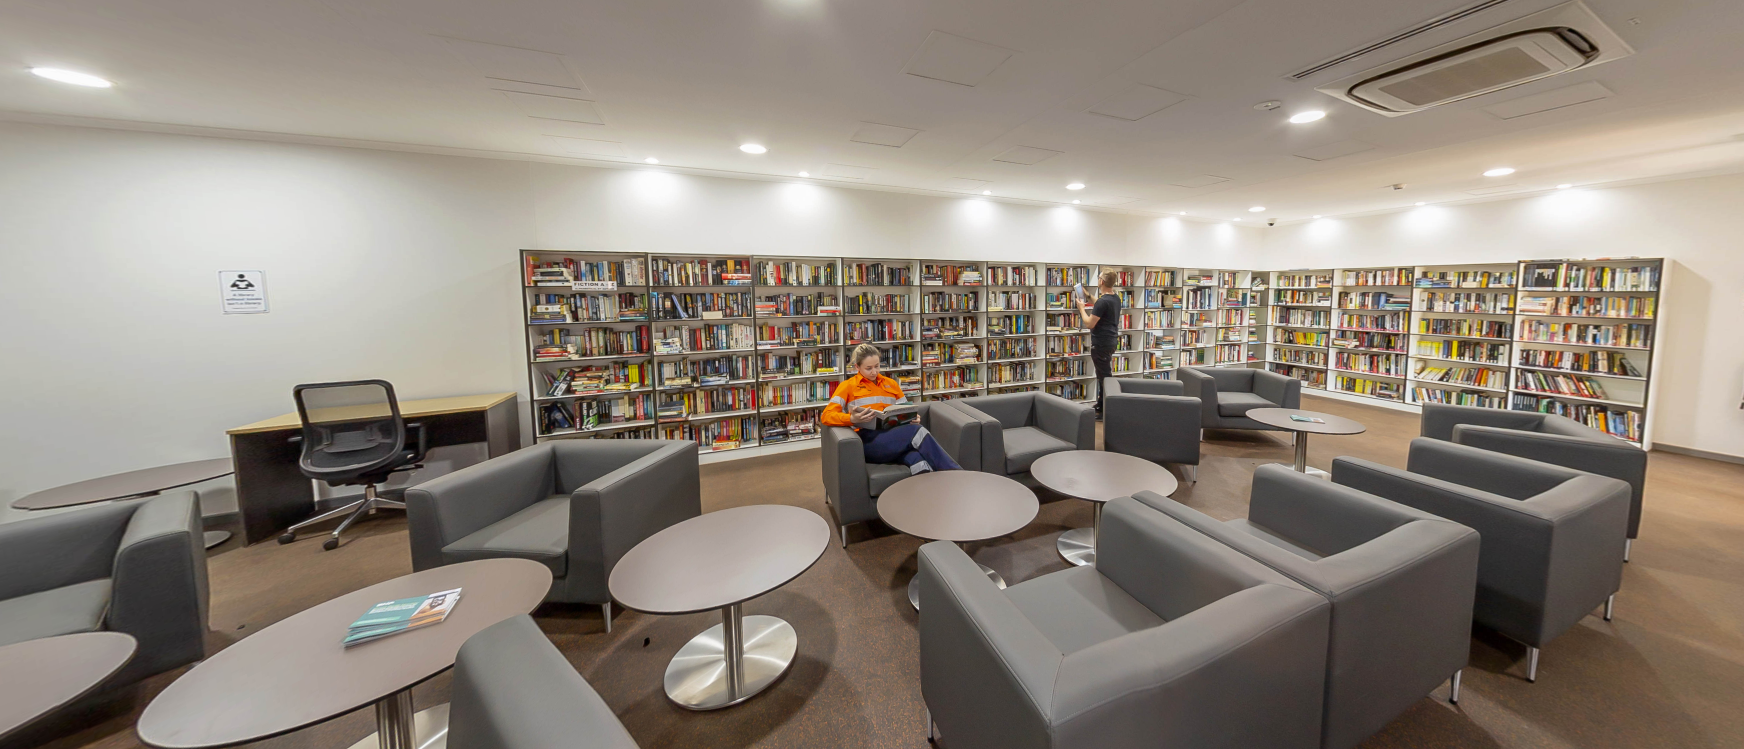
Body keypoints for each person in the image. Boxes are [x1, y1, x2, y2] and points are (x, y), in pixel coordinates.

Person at [820, 344, 962, 475]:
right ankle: (957, 474)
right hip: (868, 442)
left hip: (893, 438)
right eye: (868, 368)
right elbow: (826, 416)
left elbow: (906, 409)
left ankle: (928, 497)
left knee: (918, 461)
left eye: (877, 366)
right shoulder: (848, 386)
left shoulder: (891, 384)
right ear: (857, 367)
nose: (874, 371)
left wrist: (913, 418)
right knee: (917, 431)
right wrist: (851, 419)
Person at [1077, 270, 1121, 419]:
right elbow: (1101, 305)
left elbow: (1089, 323)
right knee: (1103, 375)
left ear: (1101, 281)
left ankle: (1106, 410)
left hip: (1101, 343)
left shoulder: (1104, 301)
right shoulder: (1115, 298)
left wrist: (1082, 309)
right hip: (1110, 341)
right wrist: (1088, 295)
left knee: (1105, 377)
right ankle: (1101, 404)